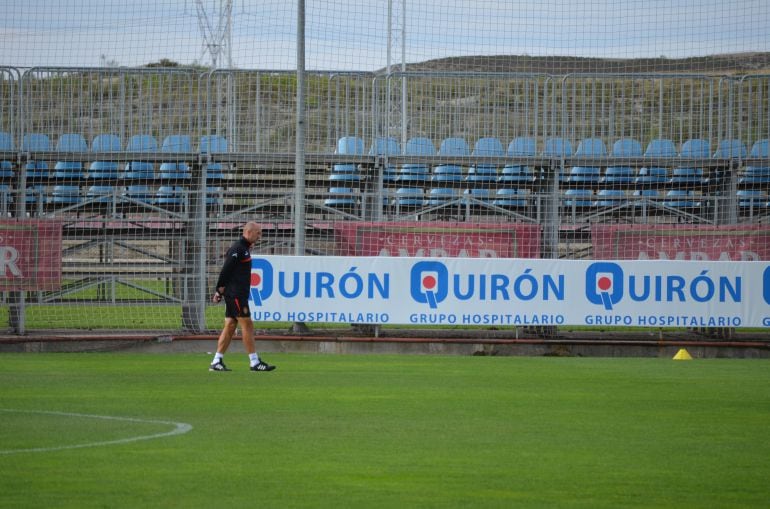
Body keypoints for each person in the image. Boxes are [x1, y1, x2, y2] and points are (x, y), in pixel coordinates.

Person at [209, 221, 276, 372]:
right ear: (248, 232)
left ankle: (216, 361)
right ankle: (254, 362)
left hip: (236, 294)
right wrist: (219, 290)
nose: (260, 236)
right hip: (236, 295)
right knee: (247, 325)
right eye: (258, 233)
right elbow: (226, 270)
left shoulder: (243, 248)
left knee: (231, 326)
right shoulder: (238, 249)